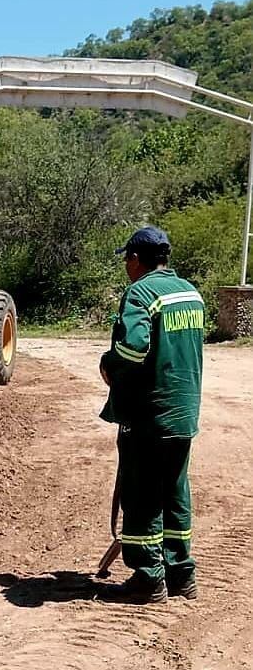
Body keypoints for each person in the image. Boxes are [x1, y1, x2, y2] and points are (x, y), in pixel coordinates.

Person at [99, 226, 204, 603]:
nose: (126, 267)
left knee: (142, 494)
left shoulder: (141, 292)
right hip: (183, 412)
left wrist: (109, 364)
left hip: (150, 414)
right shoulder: (190, 293)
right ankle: (182, 576)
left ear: (135, 260)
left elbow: (134, 347)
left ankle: (148, 577)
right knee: (175, 491)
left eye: (127, 260)